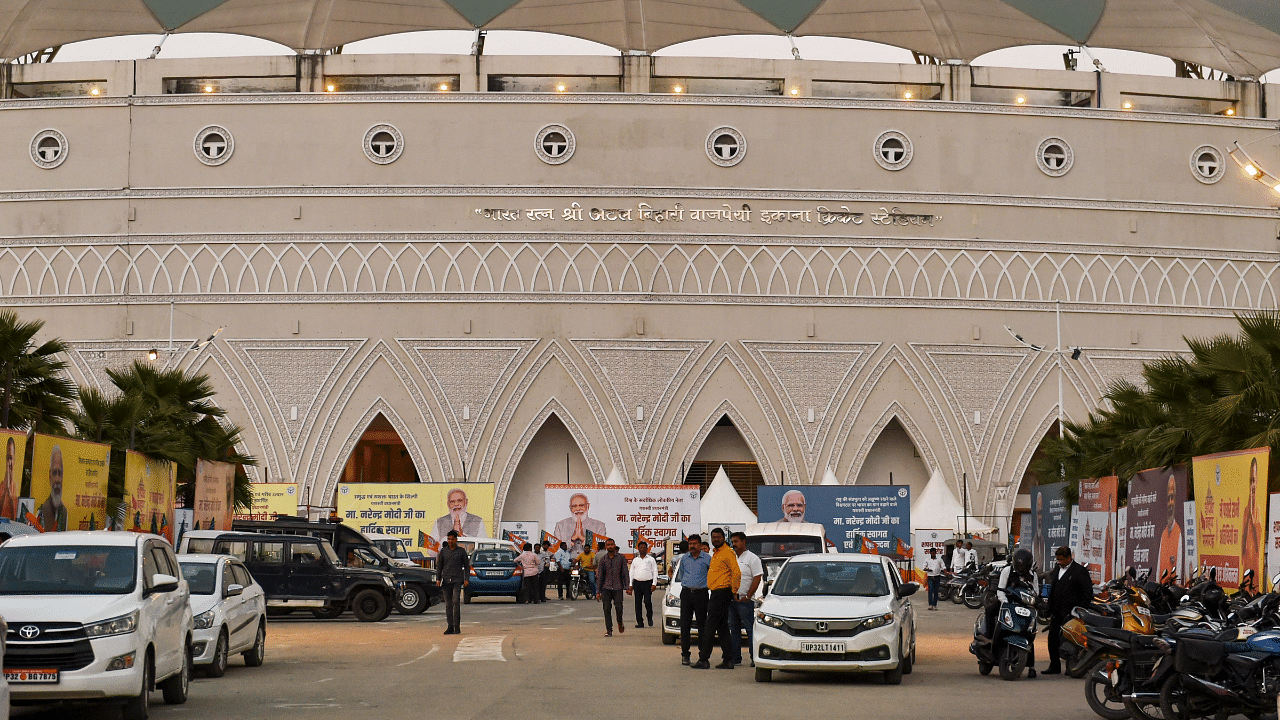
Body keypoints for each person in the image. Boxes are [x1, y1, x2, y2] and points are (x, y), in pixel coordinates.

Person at [985, 547, 1039, 678]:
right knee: (990, 610)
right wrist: (1004, 602)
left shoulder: (1033, 575)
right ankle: (988, 638)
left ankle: (1031, 666)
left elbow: (1036, 592)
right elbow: (1000, 589)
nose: (1021, 569)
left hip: (1024, 605)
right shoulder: (1007, 571)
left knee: (1029, 632)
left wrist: (1034, 603)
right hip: (1006, 601)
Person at [1043, 545, 1094, 675]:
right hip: (1056, 612)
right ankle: (1054, 665)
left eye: (1061, 559)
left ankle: (1071, 668)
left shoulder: (1080, 571)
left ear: (1069, 558)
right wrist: (1048, 608)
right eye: (1057, 560)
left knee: (1070, 642)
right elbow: (1052, 589)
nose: (1059, 562)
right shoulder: (1056, 570)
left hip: (1071, 613)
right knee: (1052, 638)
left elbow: (1087, 593)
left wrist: (1080, 611)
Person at [696, 528, 741, 670]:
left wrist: (734, 590)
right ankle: (728, 659)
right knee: (722, 628)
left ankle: (703, 659)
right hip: (716, 593)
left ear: (723, 538)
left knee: (709, 626)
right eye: (713, 537)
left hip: (722, 593)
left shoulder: (728, 552)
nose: (715, 539)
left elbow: (737, 573)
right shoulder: (716, 553)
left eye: (718, 537)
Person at [727, 531, 763, 667]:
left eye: (736, 541)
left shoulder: (752, 559)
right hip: (732, 600)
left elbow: (757, 578)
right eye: (732, 542)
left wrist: (748, 596)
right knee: (734, 629)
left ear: (743, 542)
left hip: (744, 601)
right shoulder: (732, 558)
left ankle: (755, 658)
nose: (734, 544)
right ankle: (736, 657)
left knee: (749, 630)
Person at [678, 534, 711, 666]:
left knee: (702, 626)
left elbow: (711, 574)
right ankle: (685, 654)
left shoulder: (707, 558)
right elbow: (681, 574)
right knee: (685, 625)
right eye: (690, 543)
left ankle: (702, 655)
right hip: (686, 593)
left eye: (694, 543)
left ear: (700, 545)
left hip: (701, 594)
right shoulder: (685, 558)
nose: (692, 546)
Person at [435, 530, 470, 635]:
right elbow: (440, 566)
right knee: (448, 605)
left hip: (457, 580)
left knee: (456, 602)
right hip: (446, 580)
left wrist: (466, 578)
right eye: (449, 539)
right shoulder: (443, 551)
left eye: (452, 539)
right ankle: (450, 626)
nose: (450, 541)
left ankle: (457, 627)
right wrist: (438, 578)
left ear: (456, 540)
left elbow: (467, 566)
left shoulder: (461, 551)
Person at [596, 538, 628, 637]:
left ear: (614, 545)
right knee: (606, 609)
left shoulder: (621, 558)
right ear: (606, 547)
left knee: (619, 607)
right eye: (608, 545)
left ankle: (620, 622)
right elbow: (600, 576)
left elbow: (625, 573)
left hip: (618, 587)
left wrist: (627, 587)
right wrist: (598, 591)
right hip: (606, 587)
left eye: (612, 544)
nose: (610, 546)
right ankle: (609, 630)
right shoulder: (603, 560)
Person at [1157, 472, 1184, 579]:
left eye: (1172, 497)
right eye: (1168, 498)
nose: (1170, 502)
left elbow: (1179, 574)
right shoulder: (1163, 534)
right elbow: (1158, 567)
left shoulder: (1179, 533)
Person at [1241, 457, 1264, 581]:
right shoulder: (1246, 509)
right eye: (1250, 481)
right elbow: (1243, 537)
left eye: (1254, 481)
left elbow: (1259, 538)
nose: (1252, 485)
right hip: (1246, 562)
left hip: (1255, 562)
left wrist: (1253, 516)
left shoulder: (1258, 508)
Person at [38, 444, 67, 532]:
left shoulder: (64, 511)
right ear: (50, 476)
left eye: (60, 473)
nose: (57, 479)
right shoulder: (41, 512)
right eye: (54, 473)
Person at [629, 540, 658, 628]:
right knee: (637, 603)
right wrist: (630, 584)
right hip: (637, 583)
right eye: (640, 547)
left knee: (647, 601)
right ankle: (640, 622)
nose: (642, 549)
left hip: (647, 583)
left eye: (644, 547)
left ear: (647, 549)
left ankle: (649, 618)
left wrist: (654, 583)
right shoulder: (635, 560)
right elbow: (631, 572)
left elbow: (655, 571)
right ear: (638, 549)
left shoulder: (651, 559)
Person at [0, 437, 17, 521]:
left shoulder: (15, 487)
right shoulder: (1, 486)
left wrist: (10, 495)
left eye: (11, 458)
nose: (9, 462)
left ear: (14, 460)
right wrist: (5, 492)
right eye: (8, 458)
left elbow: (15, 517)